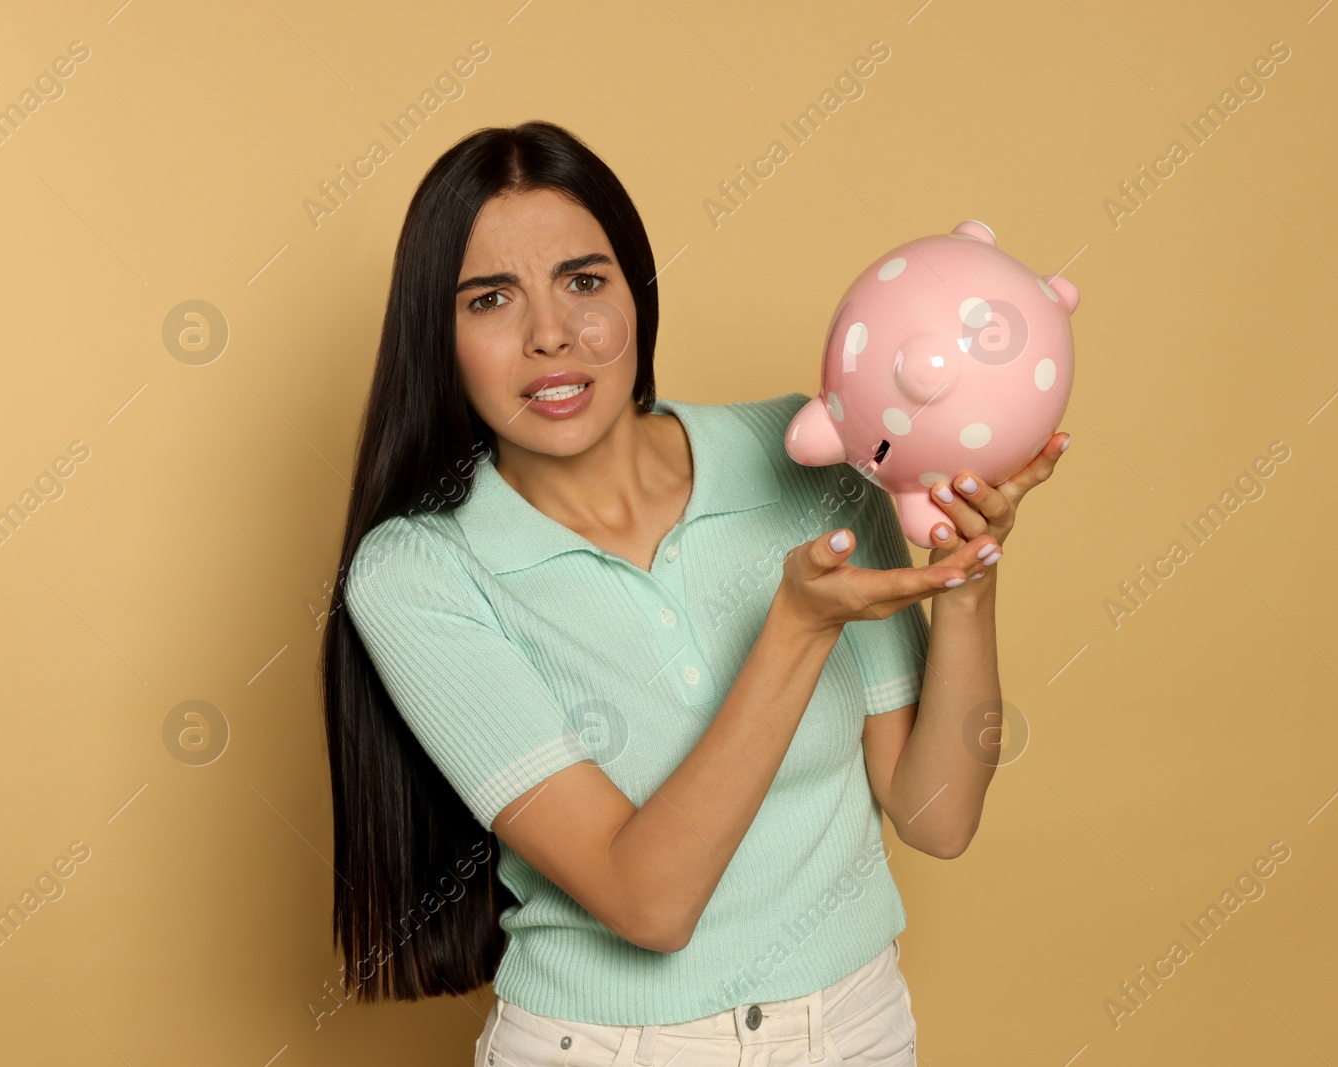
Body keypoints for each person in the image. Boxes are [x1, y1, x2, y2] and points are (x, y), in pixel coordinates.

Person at [319, 119, 1069, 1066]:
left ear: (636, 295)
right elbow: (650, 903)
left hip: (852, 1031)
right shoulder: (418, 571)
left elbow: (938, 817)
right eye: (491, 298)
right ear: (439, 333)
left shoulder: (816, 457)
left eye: (584, 282)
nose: (551, 334)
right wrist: (795, 629)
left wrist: (965, 576)